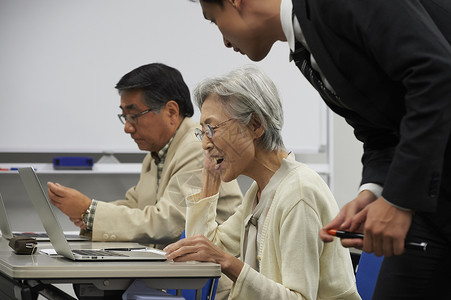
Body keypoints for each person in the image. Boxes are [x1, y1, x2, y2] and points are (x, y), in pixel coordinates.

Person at [186, 0, 451, 298]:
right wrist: (373, 192)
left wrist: (399, 201)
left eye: (214, 18)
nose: (223, 40)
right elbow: (379, 131)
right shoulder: (307, 51)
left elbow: (437, 76)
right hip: (432, 199)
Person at [164, 65, 360, 300]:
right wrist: (210, 178)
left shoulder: (299, 192)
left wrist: (227, 263)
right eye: (202, 132)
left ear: (255, 125)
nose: (205, 143)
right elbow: (201, 254)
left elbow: (300, 298)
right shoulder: (263, 189)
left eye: (211, 128)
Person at [47, 63, 243, 249]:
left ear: (171, 112)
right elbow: (136, 205)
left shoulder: (197, 147)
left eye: (134, 116)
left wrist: (90, 211)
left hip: (211, 278)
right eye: (124, 117)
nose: (127, 127)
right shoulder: (157, 152)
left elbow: (168, 223)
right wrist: (86, 215)